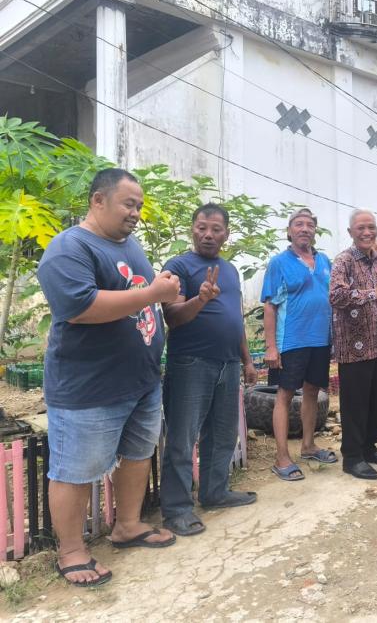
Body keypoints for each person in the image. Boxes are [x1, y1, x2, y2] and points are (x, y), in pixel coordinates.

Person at [37, 168, 178, 587]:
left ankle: (128, 525)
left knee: (138, 454)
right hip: (89, 388)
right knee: (76, 470)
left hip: (139, 381)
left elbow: (138, 291)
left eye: (138, 204)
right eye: (127, 203)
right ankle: (72, 551)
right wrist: (153, 294)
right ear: (98, 201)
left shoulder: (128, 244)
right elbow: (81, 307)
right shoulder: (69, 249)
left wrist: (161, 290)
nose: (135, 212)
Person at [160, 203, 258, 537]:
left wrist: (247, 360)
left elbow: (236, 320)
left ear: (226, 234)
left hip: (229, 364)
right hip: (191, 363)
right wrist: (200, 299)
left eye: (216, 229)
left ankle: (215, 492)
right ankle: (176, 509)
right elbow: (172, 317)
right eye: (202, 227)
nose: (208, 234)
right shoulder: (179, 266)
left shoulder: (229, 270)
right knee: (182, 437)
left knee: (223, 434)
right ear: (193, 228)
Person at [262, 208, 336, 481]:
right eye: (299, 224)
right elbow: (270, 306)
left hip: (320, 340)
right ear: (290, 230)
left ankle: (308, 446)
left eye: (309, 225)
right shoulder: (280, 262)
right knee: (284, 395)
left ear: (314, 231)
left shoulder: (325, 260)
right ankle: (282, 457)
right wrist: (271, 347)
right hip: (291, 340)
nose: (305, 228)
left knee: (312, 392)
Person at [330, 210, 377, 479]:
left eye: (371, 227)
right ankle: (352, 456)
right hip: (353, 347)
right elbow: (336, 296)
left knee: (375, 401)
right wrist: (374, 293)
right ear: (350, 232)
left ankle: (370, 447)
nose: (367, 232)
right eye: (361, 228)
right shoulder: (344, 261)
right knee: (354, 403)